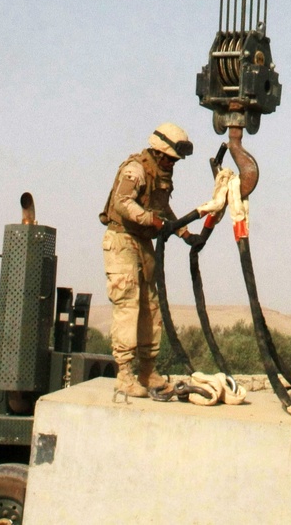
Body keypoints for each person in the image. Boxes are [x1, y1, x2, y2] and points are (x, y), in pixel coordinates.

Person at [99, 121, 196, 397]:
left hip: (142, 243)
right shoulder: (136, 170)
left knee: (150, 308)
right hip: (121, 240)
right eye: (171, 159)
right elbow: (122, 203)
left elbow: (163, 208)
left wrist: (184, 232)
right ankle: (125, 375)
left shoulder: (161, 175)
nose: (173, 164)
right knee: (128, 305)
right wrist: (149, 219)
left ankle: (147, 371)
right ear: (160, 152)